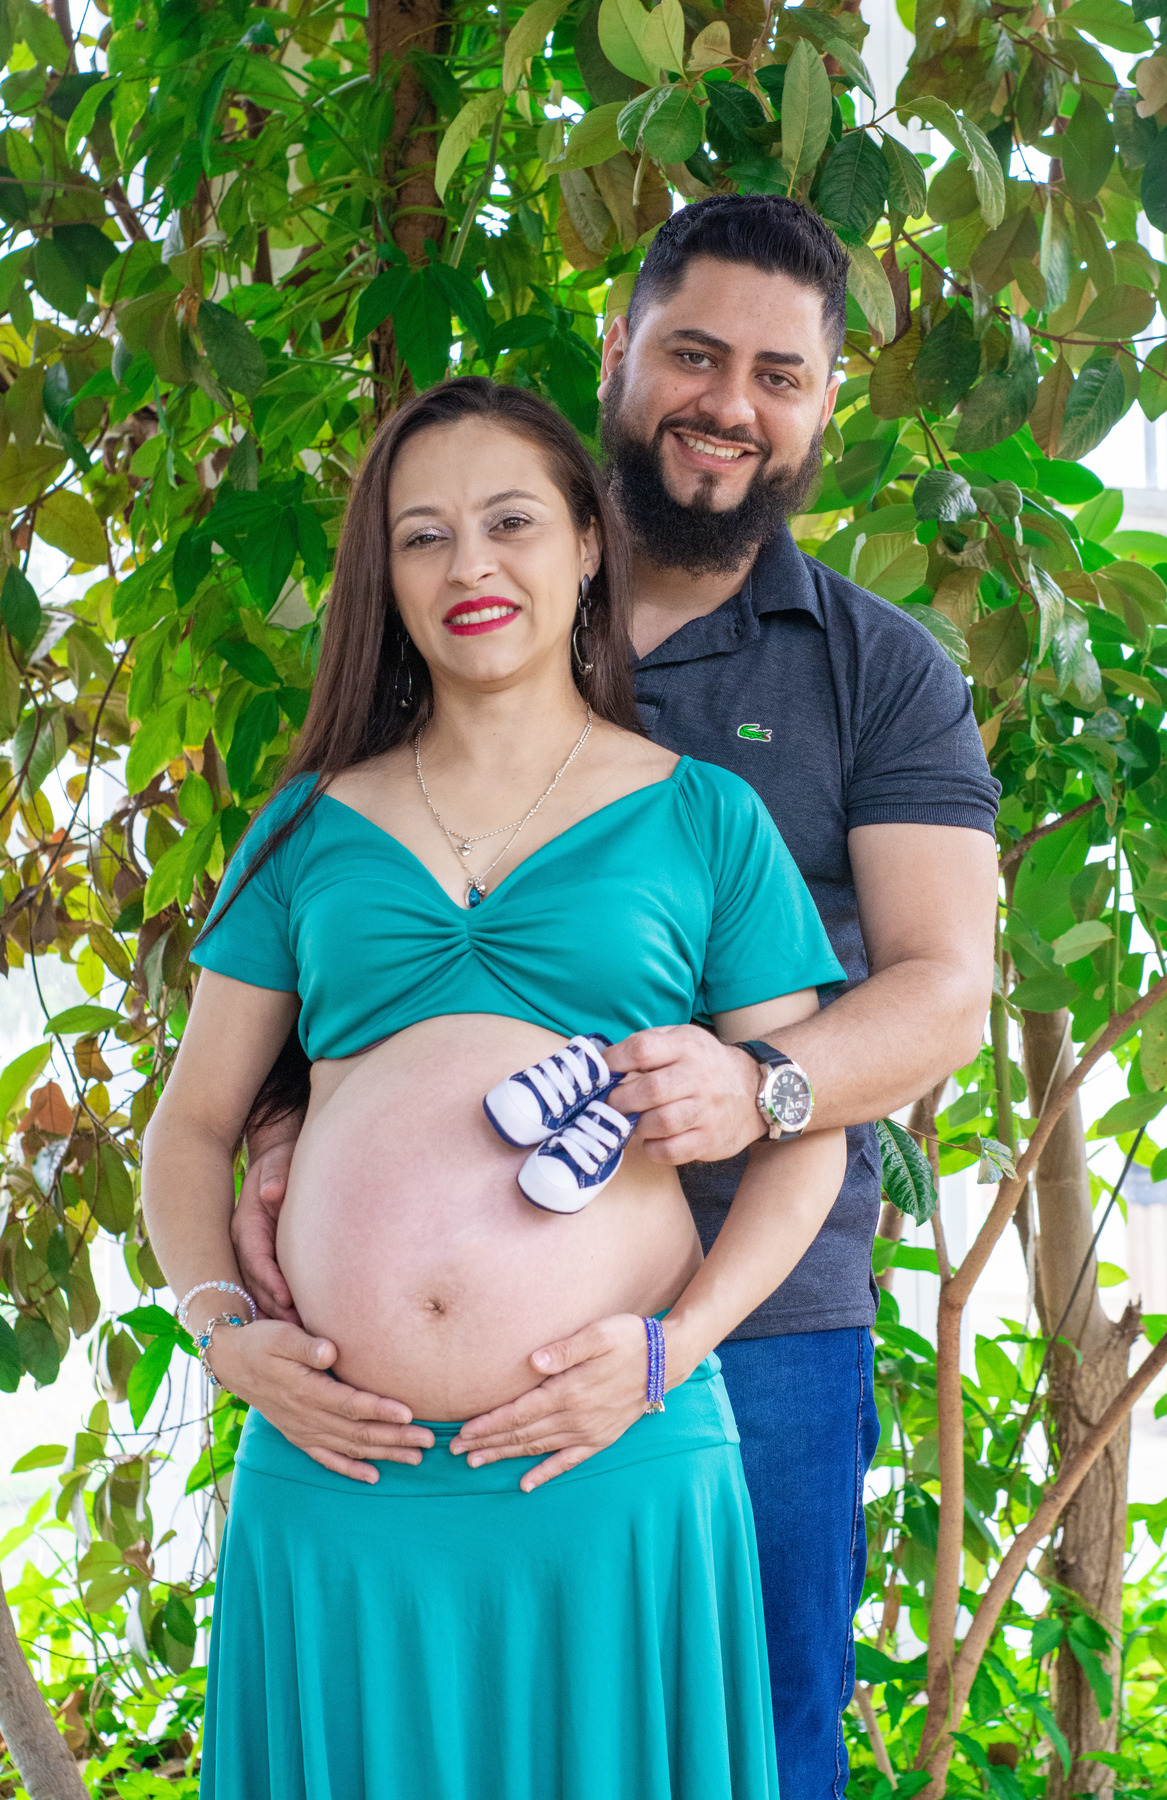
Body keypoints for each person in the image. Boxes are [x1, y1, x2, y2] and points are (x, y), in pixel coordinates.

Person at [231, 197, 1001, 1796]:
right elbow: (352, 960)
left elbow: (943, 995)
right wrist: (300, 1121)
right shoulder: (456, 626)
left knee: (747, 1745)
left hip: (752, 1329)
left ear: (826, 403)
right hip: (383, 1419)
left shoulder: (877, 670)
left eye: (780, 375)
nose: (732, 404)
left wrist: (765, 1089)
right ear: (621, 352)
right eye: (697, 354)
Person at [142, 375, 851, 1799]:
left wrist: (671, 1353)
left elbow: (805, 1137)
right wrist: (219, 1333)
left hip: (610, 1459)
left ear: (587, 543)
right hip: (341, 1473)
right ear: (386, 578)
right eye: (424, 536)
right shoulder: (304, 826)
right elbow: (192, 1128)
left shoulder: (706, 816)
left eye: (509, 522)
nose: (469, 564)